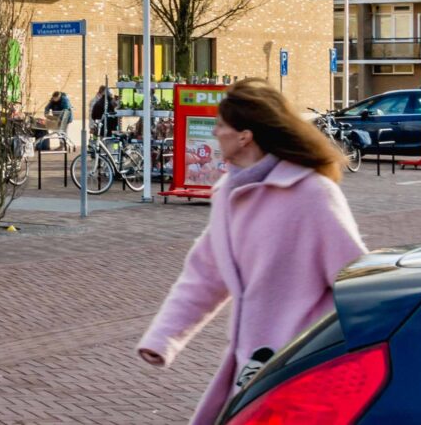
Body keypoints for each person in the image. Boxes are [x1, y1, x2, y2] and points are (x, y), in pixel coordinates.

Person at [137, 80, 366, 425]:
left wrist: (336, 353)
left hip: (300, 363)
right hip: (253, 366)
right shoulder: (230, 196)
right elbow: (204, 276)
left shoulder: (312, 194)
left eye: (220, 126)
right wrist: (163, 338)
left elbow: (355, 279)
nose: (214, 132)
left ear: (245, 136)